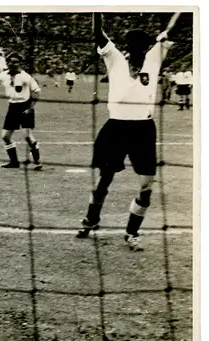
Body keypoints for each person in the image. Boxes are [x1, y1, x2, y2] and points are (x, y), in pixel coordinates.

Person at [76, 13, 177, 251]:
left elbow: (171, 30)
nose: (139, 49)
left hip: (143, 129)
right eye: (134, 45)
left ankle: (132, 232)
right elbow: (98, 33)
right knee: (104, 181)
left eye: (143, 45)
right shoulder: (115, 58)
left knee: (147, 187)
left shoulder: (154, 58)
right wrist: (96, 10)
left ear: (147, 47)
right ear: (128, 47)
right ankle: (91, 219)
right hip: (116, 128)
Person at [0, 52, 42, 171]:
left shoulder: (25, 76)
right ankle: (14, 162)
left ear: (19, 63)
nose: (13, 64)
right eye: (11, 61)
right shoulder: (3, 75)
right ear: (7, 63)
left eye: (16, 62)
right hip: (12, 107)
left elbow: (37, 91)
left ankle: (37, 162)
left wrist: (31, 108)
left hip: (25, 107)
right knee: (5, 136)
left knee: (27, 136)